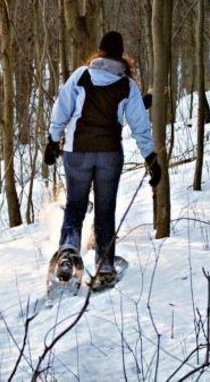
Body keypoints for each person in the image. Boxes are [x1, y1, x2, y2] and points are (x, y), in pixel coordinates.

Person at [44, 31, 162, 286]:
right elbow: (139, 125)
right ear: (121, 55)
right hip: (109, 154)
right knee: (105, 209)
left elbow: (61, 110)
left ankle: (68, 252)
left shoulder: (81, 75)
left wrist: (53, 141)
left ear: (99, 51)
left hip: (77, 152)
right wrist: (150, 158)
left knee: (76, 205)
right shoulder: (127, 85)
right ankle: (105, 265)